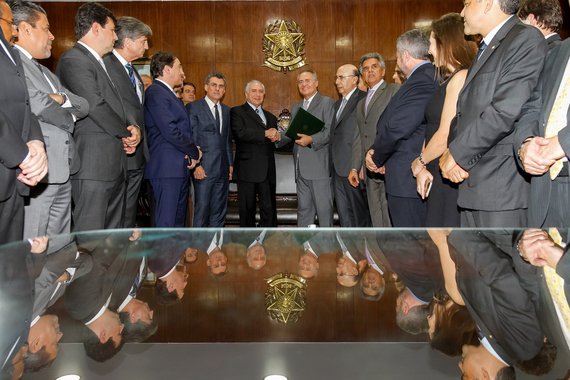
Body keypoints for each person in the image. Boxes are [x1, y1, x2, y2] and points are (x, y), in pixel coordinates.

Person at [439, 0, 547, 228]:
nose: (461, 12)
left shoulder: (524, 39)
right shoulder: (488, 47)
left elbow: (504, 111)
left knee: (498, 264)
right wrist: (454, 155)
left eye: (466, 4)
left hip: (501, 189)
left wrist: (457, 154)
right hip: (473, 184)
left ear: (487, 4)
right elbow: (464, 113)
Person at [56, 2, 141, 231]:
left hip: (112, 165)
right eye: (112, 30)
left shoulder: (100, 63)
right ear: (95, 28)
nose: (115, 37)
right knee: (90, 241)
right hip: (93, 166)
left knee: (108, 243)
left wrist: (131, 127)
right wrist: (125, 132)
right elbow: (94, 105)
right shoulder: (74, 59)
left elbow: (118, 104)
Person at [11, 1, 88, 239]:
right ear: (25, 29)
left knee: (59, 246)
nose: (53, 36)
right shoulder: (11, 63)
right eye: (46, 28)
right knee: (34, 247)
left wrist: (59, 97)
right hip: (38, 169)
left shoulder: (46, 72)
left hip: (62, 169)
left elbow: (83, 105)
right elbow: (35, 102)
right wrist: (67, 114)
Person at [410, 13, 477, 227]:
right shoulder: (446, 80)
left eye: (431, 43)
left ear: (446, 43)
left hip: (448, 171)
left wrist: (418, 163)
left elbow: (445, 133)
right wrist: (423, 164)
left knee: (445, 239)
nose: (429, 51)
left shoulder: (461, 77)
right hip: (436, 168)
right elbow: (432, 126)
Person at [366, 29, 436, 227]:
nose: (397, 60)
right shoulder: (420, 78)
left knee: (410, 245)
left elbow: (398, 127)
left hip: (408, 179)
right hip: (404, 176)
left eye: (397, 55)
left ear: (405, 55)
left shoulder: (422, 80)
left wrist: (376, 156)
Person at [0, 0, 47, 244]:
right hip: (12, 164)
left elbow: (24, 104)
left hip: (14, 181)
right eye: (10, 24)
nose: (15, 31)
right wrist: (24, 156)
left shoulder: (11, 53)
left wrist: (36, 142)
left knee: (10, 265)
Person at [515, 31, 570, 227]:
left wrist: (562, 143)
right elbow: (532, 108)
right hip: (546, 190)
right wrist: (526, 144)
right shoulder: (558, 52)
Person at [104, 16, 152, 228]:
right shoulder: (106, 65)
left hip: (137, 154)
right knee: (114, 214)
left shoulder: (132, 70)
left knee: (128, 212)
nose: (147, 46)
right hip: (118, 151)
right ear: (128, 41)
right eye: (143, 41)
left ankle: (124, 252)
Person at [144, 51, 200, 227]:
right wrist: (194, 151)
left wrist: (190, 155)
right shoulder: (156, 92)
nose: (182, 73)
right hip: (166, 170)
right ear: (167, 69)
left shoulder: (168, 94)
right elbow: (170, 130)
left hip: (177, 168)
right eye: (179, 67)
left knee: (177, 226)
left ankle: (174, 256)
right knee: (166, 225)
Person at [276, 69, 334, 227]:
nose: (304, 84)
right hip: (300, 170)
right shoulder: (296, 107)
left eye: (307, 80)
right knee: (304, 212)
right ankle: (304, 250)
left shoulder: (327, 103)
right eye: (300, 81)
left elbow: (329, 132)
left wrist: (311, 139)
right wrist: (278, 137)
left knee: (324, 212)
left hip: (319, 168)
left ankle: (327, 250)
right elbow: (291, 134)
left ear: (316, 83)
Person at [349, 52, 400, 227]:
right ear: (362, 75)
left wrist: (386, 158)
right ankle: (379, 251)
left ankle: (391, 251)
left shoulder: (394, 91)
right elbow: (358, 137)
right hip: (369, 167)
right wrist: (355, 167)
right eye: (365, 69)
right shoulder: (360, 103)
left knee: (390, 213)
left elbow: (398, 128)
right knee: (375, 212)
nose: (370, 71)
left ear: (383, 71)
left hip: (388, 164)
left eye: (374, 67)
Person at [230, 80, 279, 227]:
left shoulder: (271, 117)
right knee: (247, 210)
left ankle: (268, 244)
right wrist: (264, 133)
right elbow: (240, 133)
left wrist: (277, 137)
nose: (257, 94)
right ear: (246, 94)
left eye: (260, 91)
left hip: (267, 171)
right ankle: (248, 244)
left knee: (269, 211)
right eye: (254, 91)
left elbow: (273, 142)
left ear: (264, 95)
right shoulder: (237, 112)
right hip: (247, 170)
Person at [187, 72, 233, 227]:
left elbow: (226, 140)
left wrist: (230, 165)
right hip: (203, 168)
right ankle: (199, 249)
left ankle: (215, 248)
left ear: (224, 90)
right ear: (206, 87)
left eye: (221, 86)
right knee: (202, 210)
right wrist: (197, 165)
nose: (217, 89)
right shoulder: (194, 107)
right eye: (214, 85)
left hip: (223, 169)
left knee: (219, 211)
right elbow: (191, 138)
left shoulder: (226, 110)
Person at [330, 64, 369, 227]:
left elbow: (366, 134)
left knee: (359, 214)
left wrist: (360, 165)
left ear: (355, 79)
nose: (337, 81)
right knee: (344, 215)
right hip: (337, 168)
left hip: (353, 167)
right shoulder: (337, 104)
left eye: (341, 77)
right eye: (336, 78)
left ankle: (362, 251)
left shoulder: (364, 99)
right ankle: (348, 251)